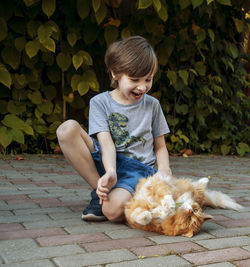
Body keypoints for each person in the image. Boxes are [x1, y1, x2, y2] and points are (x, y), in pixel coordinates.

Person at [56, 36, 171, 222]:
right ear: (115, 73)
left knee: (112, 212)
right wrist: (110, 171)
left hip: (138, 170)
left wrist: (164, 168)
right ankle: (101, 192)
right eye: (134, 79)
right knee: (66, 129)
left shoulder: (152, 105)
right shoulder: (100, 102)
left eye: (148, 79)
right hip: (108, 160)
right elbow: (106, 142)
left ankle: (111, 201)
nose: (142, 87)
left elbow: (160, 146)